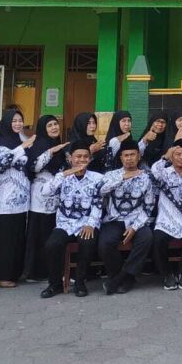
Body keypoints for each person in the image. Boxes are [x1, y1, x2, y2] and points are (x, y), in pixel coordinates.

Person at [41, 142, 104, 299]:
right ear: (70, 158)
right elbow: (45, 192)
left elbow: (98, 203)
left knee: (87, 242)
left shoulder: (97, 178)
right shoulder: (62, 176)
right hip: (65, 223)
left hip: (87, 222)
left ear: (90, 159)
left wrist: (91, 224)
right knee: (52, 245)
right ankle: (55, 284)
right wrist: (65, 174)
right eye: (78, 157)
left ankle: (80, 282)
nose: (81, 160)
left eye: (85, 157)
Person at [97, 137, 155, 294]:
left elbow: (148, 206)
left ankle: (122, 278)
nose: (129, 158)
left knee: (147, 238)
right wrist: (122, 178)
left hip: (137, 220)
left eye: (132, 155)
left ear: (138, 156)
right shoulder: (111, 175)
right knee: (105, 243)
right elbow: (101, 191)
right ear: (121, 157)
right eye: (126, 155)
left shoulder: (146, 177)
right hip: (114, 220)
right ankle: (121, 277)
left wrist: (135, 227)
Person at [0, 108, 35, 288]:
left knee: (16, 237)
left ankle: (14, 273)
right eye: (14, 121)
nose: (18, 124)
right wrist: (23, 147)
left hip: (21, 201)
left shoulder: (21, 140)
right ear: (7, 123)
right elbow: (1, 163)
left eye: (20, 120)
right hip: (4, 200)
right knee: (3, 239)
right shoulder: (2, 143)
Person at [150, 138, 182, 290]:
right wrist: (165, 157)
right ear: (172, 156)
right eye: (177, 154)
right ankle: (167, 275)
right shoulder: (163, 174)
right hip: (166, 220)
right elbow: (153, 172)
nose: (181, 157)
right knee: (158, 239)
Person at [23, 115, 69, 282]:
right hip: (40, 197)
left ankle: (54, 271)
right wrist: (50, 152)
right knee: (39, 234)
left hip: (57, 197)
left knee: (52, 233)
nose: (54, 127)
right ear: (43, 128)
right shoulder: (39, 145)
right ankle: (35, 272)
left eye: (55, 124)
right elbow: (34, 166)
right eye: (49, 125)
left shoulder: (60, 146)